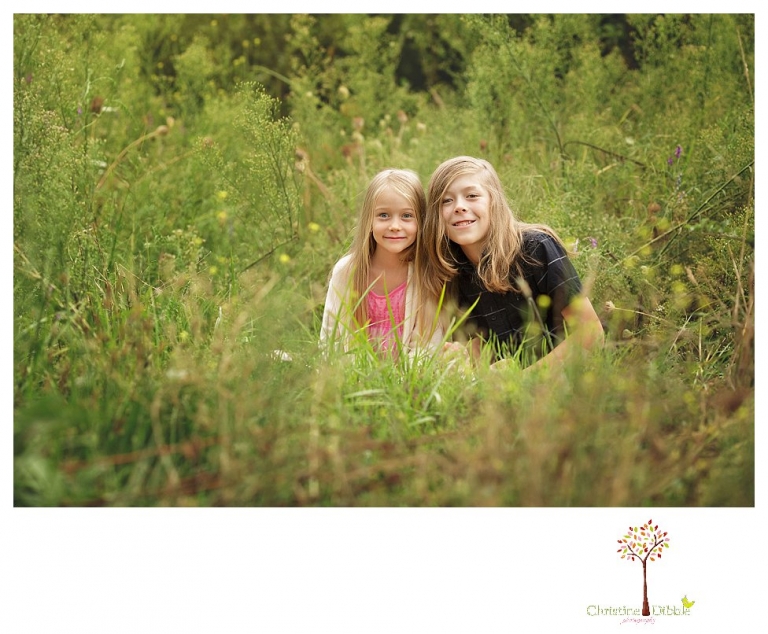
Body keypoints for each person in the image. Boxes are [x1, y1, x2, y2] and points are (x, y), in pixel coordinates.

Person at [422, 156, 604, 370]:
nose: (459, 206)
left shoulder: (536, 248)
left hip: (566, 377)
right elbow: (484, 348)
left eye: (472, 195)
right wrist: (465, 354)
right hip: (506, 389)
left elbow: (591, 334)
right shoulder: (454, 269)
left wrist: (525, 378)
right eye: (446, 200)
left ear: (494, 202)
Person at [320, 168, 445, 358]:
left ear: (421, 221)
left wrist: (403, 383)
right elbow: (331, 337)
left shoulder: (425, 274)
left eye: (406, 216)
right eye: (384, 215)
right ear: (369, 220)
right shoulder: (347, 271)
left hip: (408, 381)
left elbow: (427, 345)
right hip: (355, 378)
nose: (395, 226)